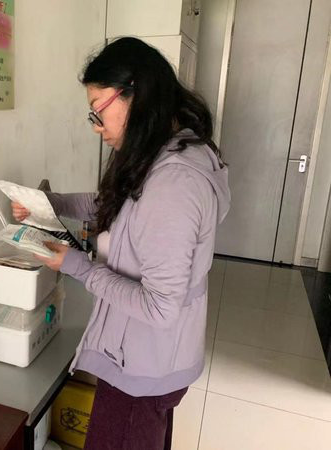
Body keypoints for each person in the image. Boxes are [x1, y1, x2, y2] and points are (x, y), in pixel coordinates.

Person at [12, 37, 230, 450]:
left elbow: (159, 307)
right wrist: (52, 203)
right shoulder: (164, 150)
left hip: (143, 367)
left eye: (99, 110)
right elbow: (116, 205)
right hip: (150, 356)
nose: (96, 126)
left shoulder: (173, 185)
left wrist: (76, 266)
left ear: (136, 94)